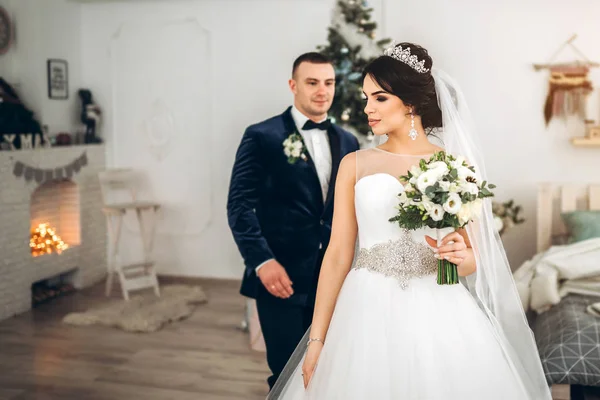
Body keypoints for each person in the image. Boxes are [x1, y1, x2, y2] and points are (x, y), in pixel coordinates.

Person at [267, 42, 552, 399]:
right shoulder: (355, 164)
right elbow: (338, 254)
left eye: (379, 98)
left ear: (412, 103)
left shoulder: (455, 166)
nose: (367, 108)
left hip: (439, 307)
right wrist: (317, 339)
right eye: (366, 97)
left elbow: (472, 257)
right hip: (364, 309)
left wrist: (460, 257)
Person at [226, 52, 360, 389]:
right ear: (293, 85)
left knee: (331, 370)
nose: (322, 90)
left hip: (335, 277)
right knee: (285, 374)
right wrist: (262, 261)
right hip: (280, 278)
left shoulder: (348, 141)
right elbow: (239, 206)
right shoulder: (262, 135)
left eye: (328, 82)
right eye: (312, 82)